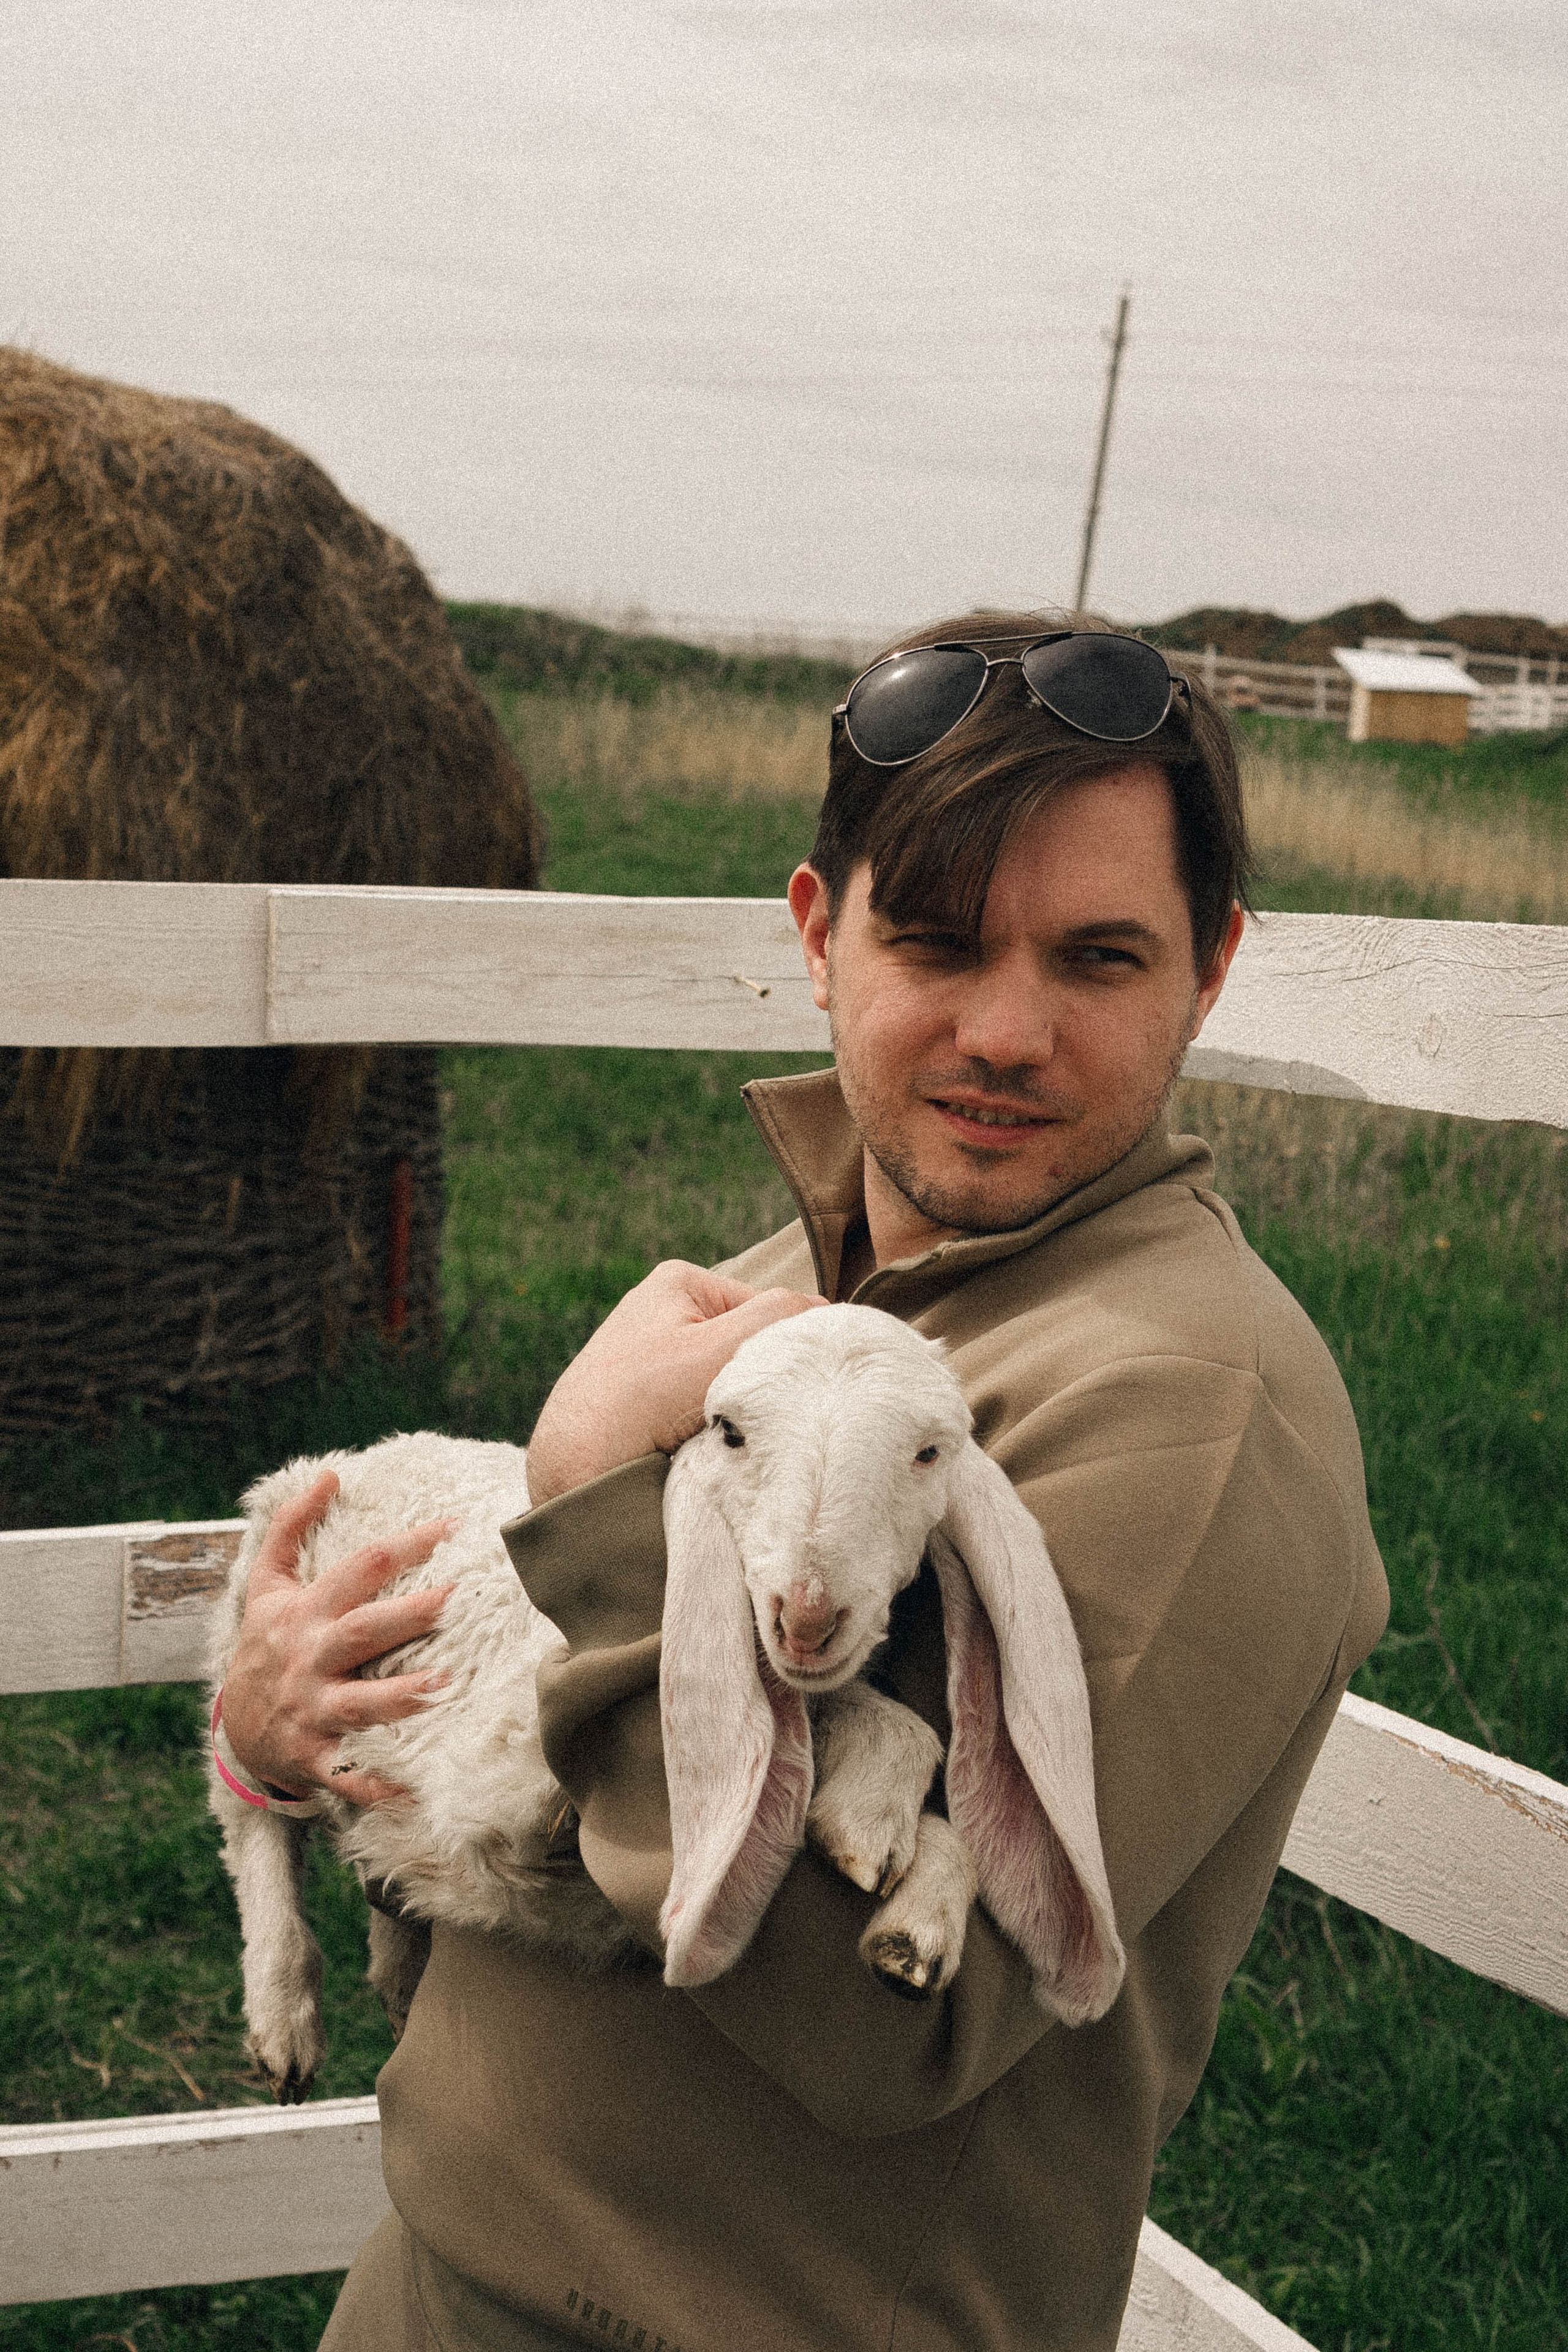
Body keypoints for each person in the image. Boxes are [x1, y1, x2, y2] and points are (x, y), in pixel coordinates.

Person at [221, 615, 1389, 2352]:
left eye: (1099, 959)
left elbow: (894, 2029)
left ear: (1212, 968)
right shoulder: (813, 1288)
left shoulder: (1192, 1406)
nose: (1009, 1031)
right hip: (445, 2277)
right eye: (935, 940)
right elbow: (554, 1753)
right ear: (816, 935)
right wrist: (292, 1732)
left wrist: (598, 1496)